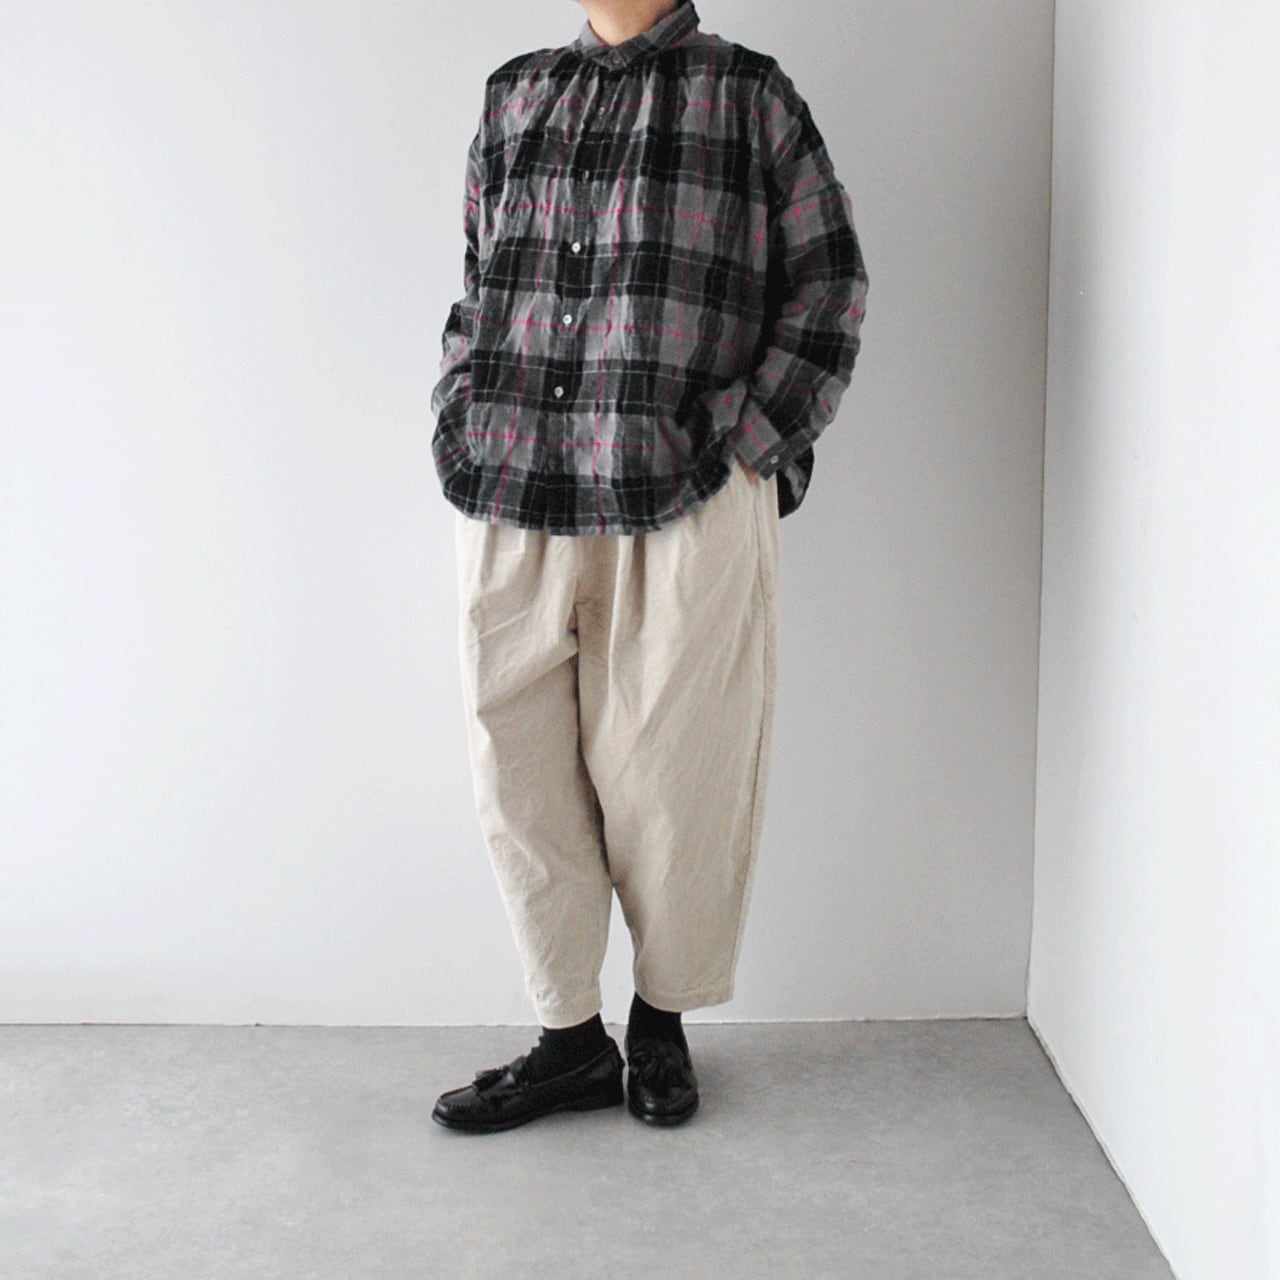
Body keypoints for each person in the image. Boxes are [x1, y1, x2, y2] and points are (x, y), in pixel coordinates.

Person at [429, 0, 868, 1134]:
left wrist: (746, 451)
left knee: (676, 774)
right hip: (512, 480)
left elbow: (829, 287)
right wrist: (459, 408)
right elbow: (478, 282)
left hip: (681, 494)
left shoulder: (749, 95)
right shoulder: (516, 93)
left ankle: (661, 1020)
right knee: (516, 771)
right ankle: (570, 1040)